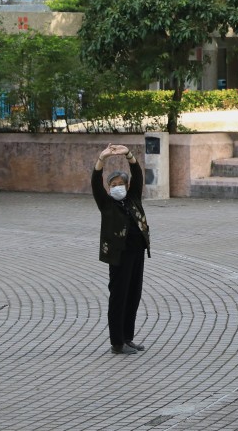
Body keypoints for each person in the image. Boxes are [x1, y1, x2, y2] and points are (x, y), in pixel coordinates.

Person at [91, 144, 150, 355]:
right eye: (114, 184)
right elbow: (95, 184)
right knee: (119, 297)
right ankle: (117, 343)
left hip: (137, 253)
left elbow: (138, 175)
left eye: (121, 184)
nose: (118, 187)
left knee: (133, 296)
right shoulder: (107, 204)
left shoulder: (132, 198)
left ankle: (128, 337)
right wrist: (102, 158)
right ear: (109, 187)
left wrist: (128, 154)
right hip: (119, 256)